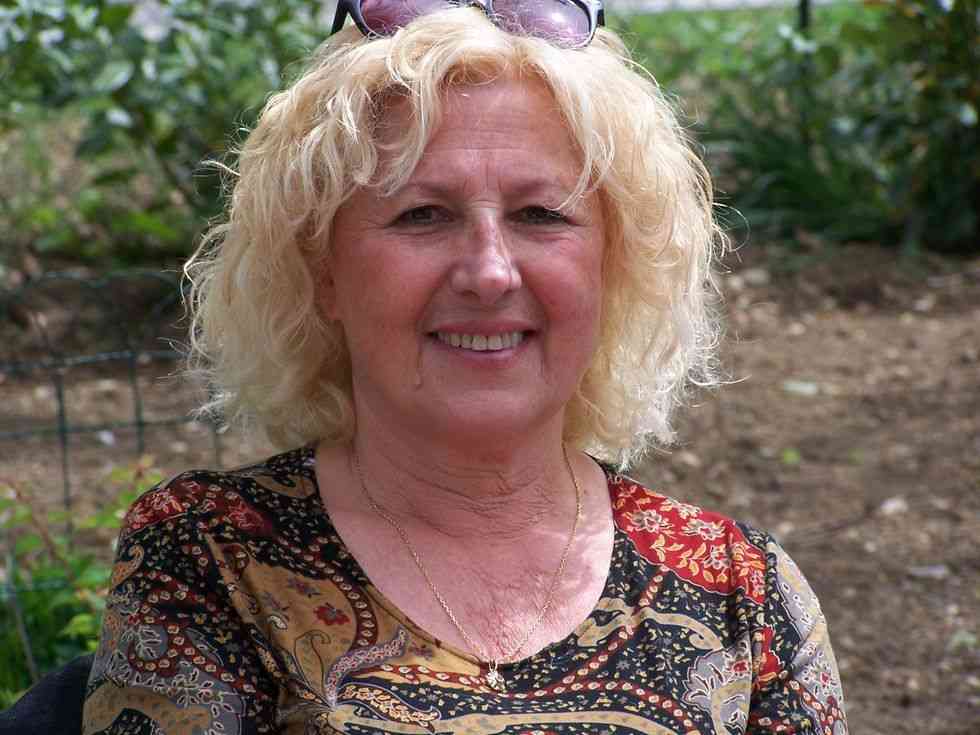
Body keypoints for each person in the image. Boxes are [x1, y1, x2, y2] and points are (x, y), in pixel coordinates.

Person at [82, 2, 848, 733]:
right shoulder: (215, 557)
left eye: (541, 215)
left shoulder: (741, 591)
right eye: (423, 214)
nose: (489, 272)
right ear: (323, 271)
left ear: (613, 266)